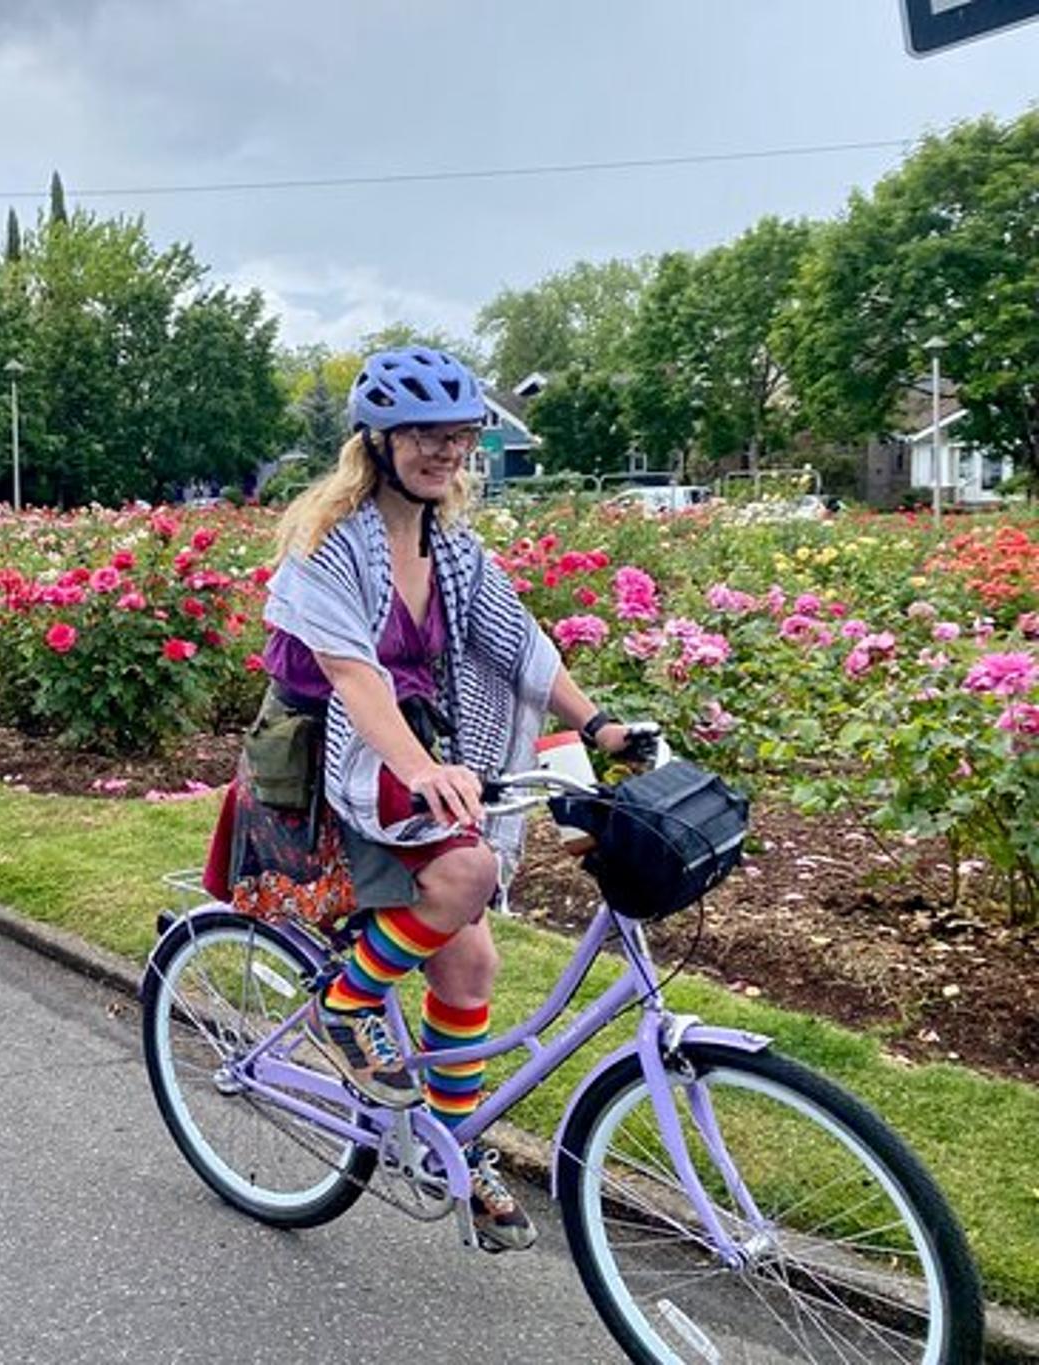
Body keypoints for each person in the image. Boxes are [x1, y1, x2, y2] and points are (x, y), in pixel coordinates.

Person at [263, 347, 639, 1253]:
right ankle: (344, 1005)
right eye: (424, 434)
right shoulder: (329, 547)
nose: (447, 451)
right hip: (334, 761)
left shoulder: (453, 548)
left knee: (469, 967)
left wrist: (599, 727)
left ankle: (452, 1149)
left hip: (414, 748)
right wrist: (421, 769)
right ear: (377, 442)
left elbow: (523, 648)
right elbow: (355, 679)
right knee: (466, 868)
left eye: (460, 436)